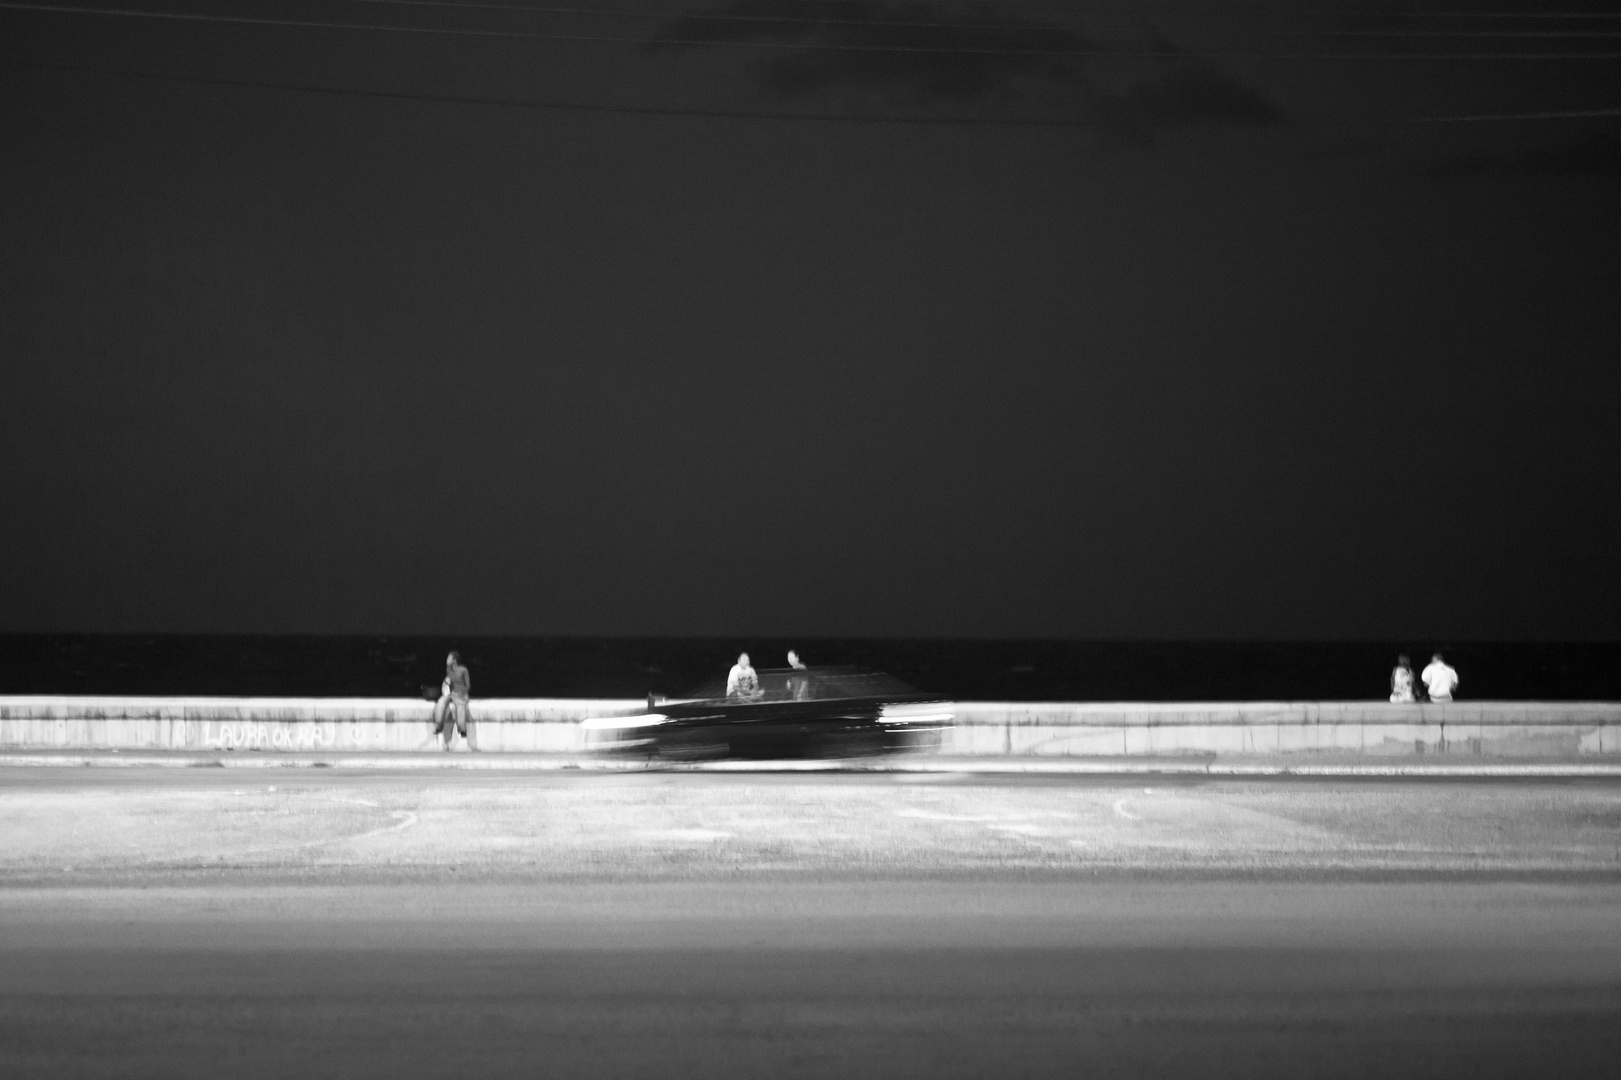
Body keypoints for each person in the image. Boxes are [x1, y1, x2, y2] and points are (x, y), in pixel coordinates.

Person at [433, 650, 472, 748]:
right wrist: (447, 690)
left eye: (449, 658)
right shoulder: (449, 670)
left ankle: (462, 730)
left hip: (462, 695)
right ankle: (439, 726)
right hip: (452, 694)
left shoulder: (463, 670)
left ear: (454, 660)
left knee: (459, 705)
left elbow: (468, 686)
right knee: (441, 702)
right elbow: (448, 683)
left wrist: (461, 694)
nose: (447, 660)